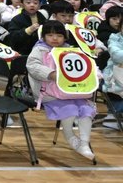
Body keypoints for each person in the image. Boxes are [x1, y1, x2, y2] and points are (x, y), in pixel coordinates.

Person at [26, 20, 97, 160]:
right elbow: (32, 66)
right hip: (48, 93)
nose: (55, 38)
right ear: (43, 36)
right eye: (50, 35)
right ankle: (70, 136)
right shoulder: (39, 49)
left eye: (59, 35)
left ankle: (84, 143)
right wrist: (51, 74)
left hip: (72, 92)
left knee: (86, 110)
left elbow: (84, 66)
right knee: (69, 109)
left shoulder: (71, 50)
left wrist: (94, 74)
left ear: (65, 37)